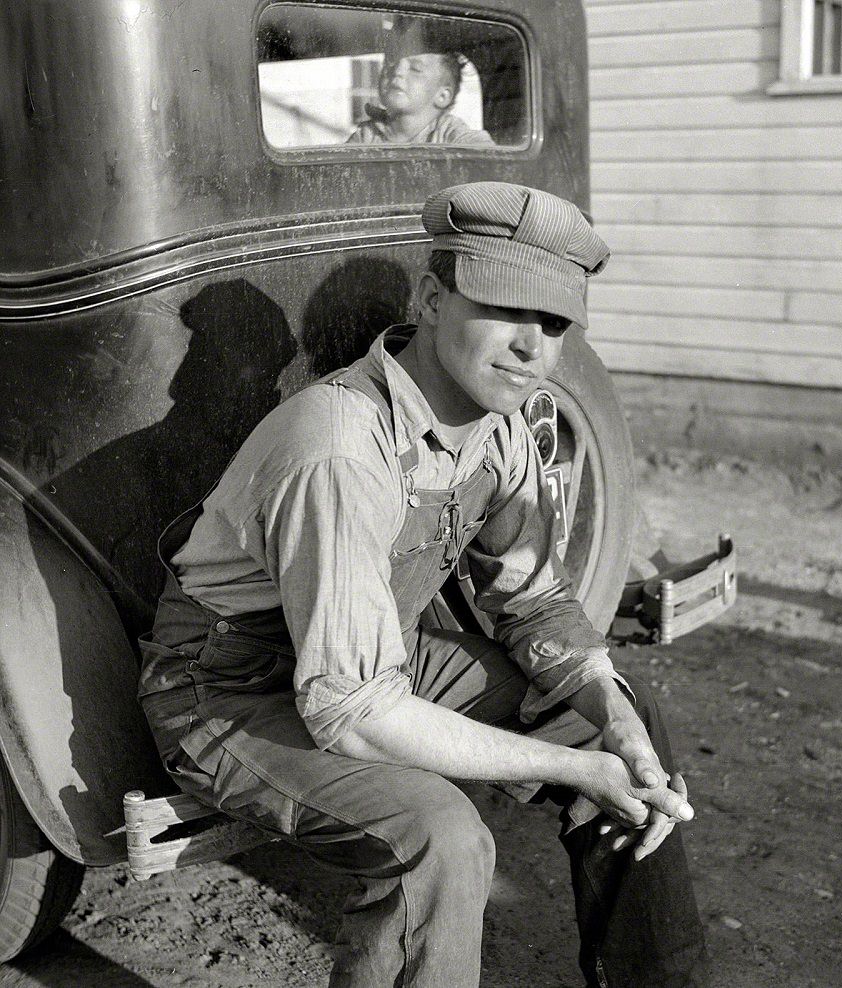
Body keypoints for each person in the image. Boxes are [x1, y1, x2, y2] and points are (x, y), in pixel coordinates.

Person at [137, 181, 708, 988]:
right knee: (441, 840)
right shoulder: (338, 447)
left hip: (378, 659)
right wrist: (579, 774)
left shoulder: (506, 422)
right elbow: (352, 714)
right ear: (433, 297)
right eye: (507, 310)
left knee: (619, 718)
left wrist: (609, 719)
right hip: (228, 692)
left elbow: (533, 599)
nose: (530, 348)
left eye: (553, 325)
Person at [347, 20, 494, 148]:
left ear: (442, 96)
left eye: (415, 69)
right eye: (390, 64)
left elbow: (488, 158)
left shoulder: (450, 133)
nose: (397, 71)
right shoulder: (367, 135)